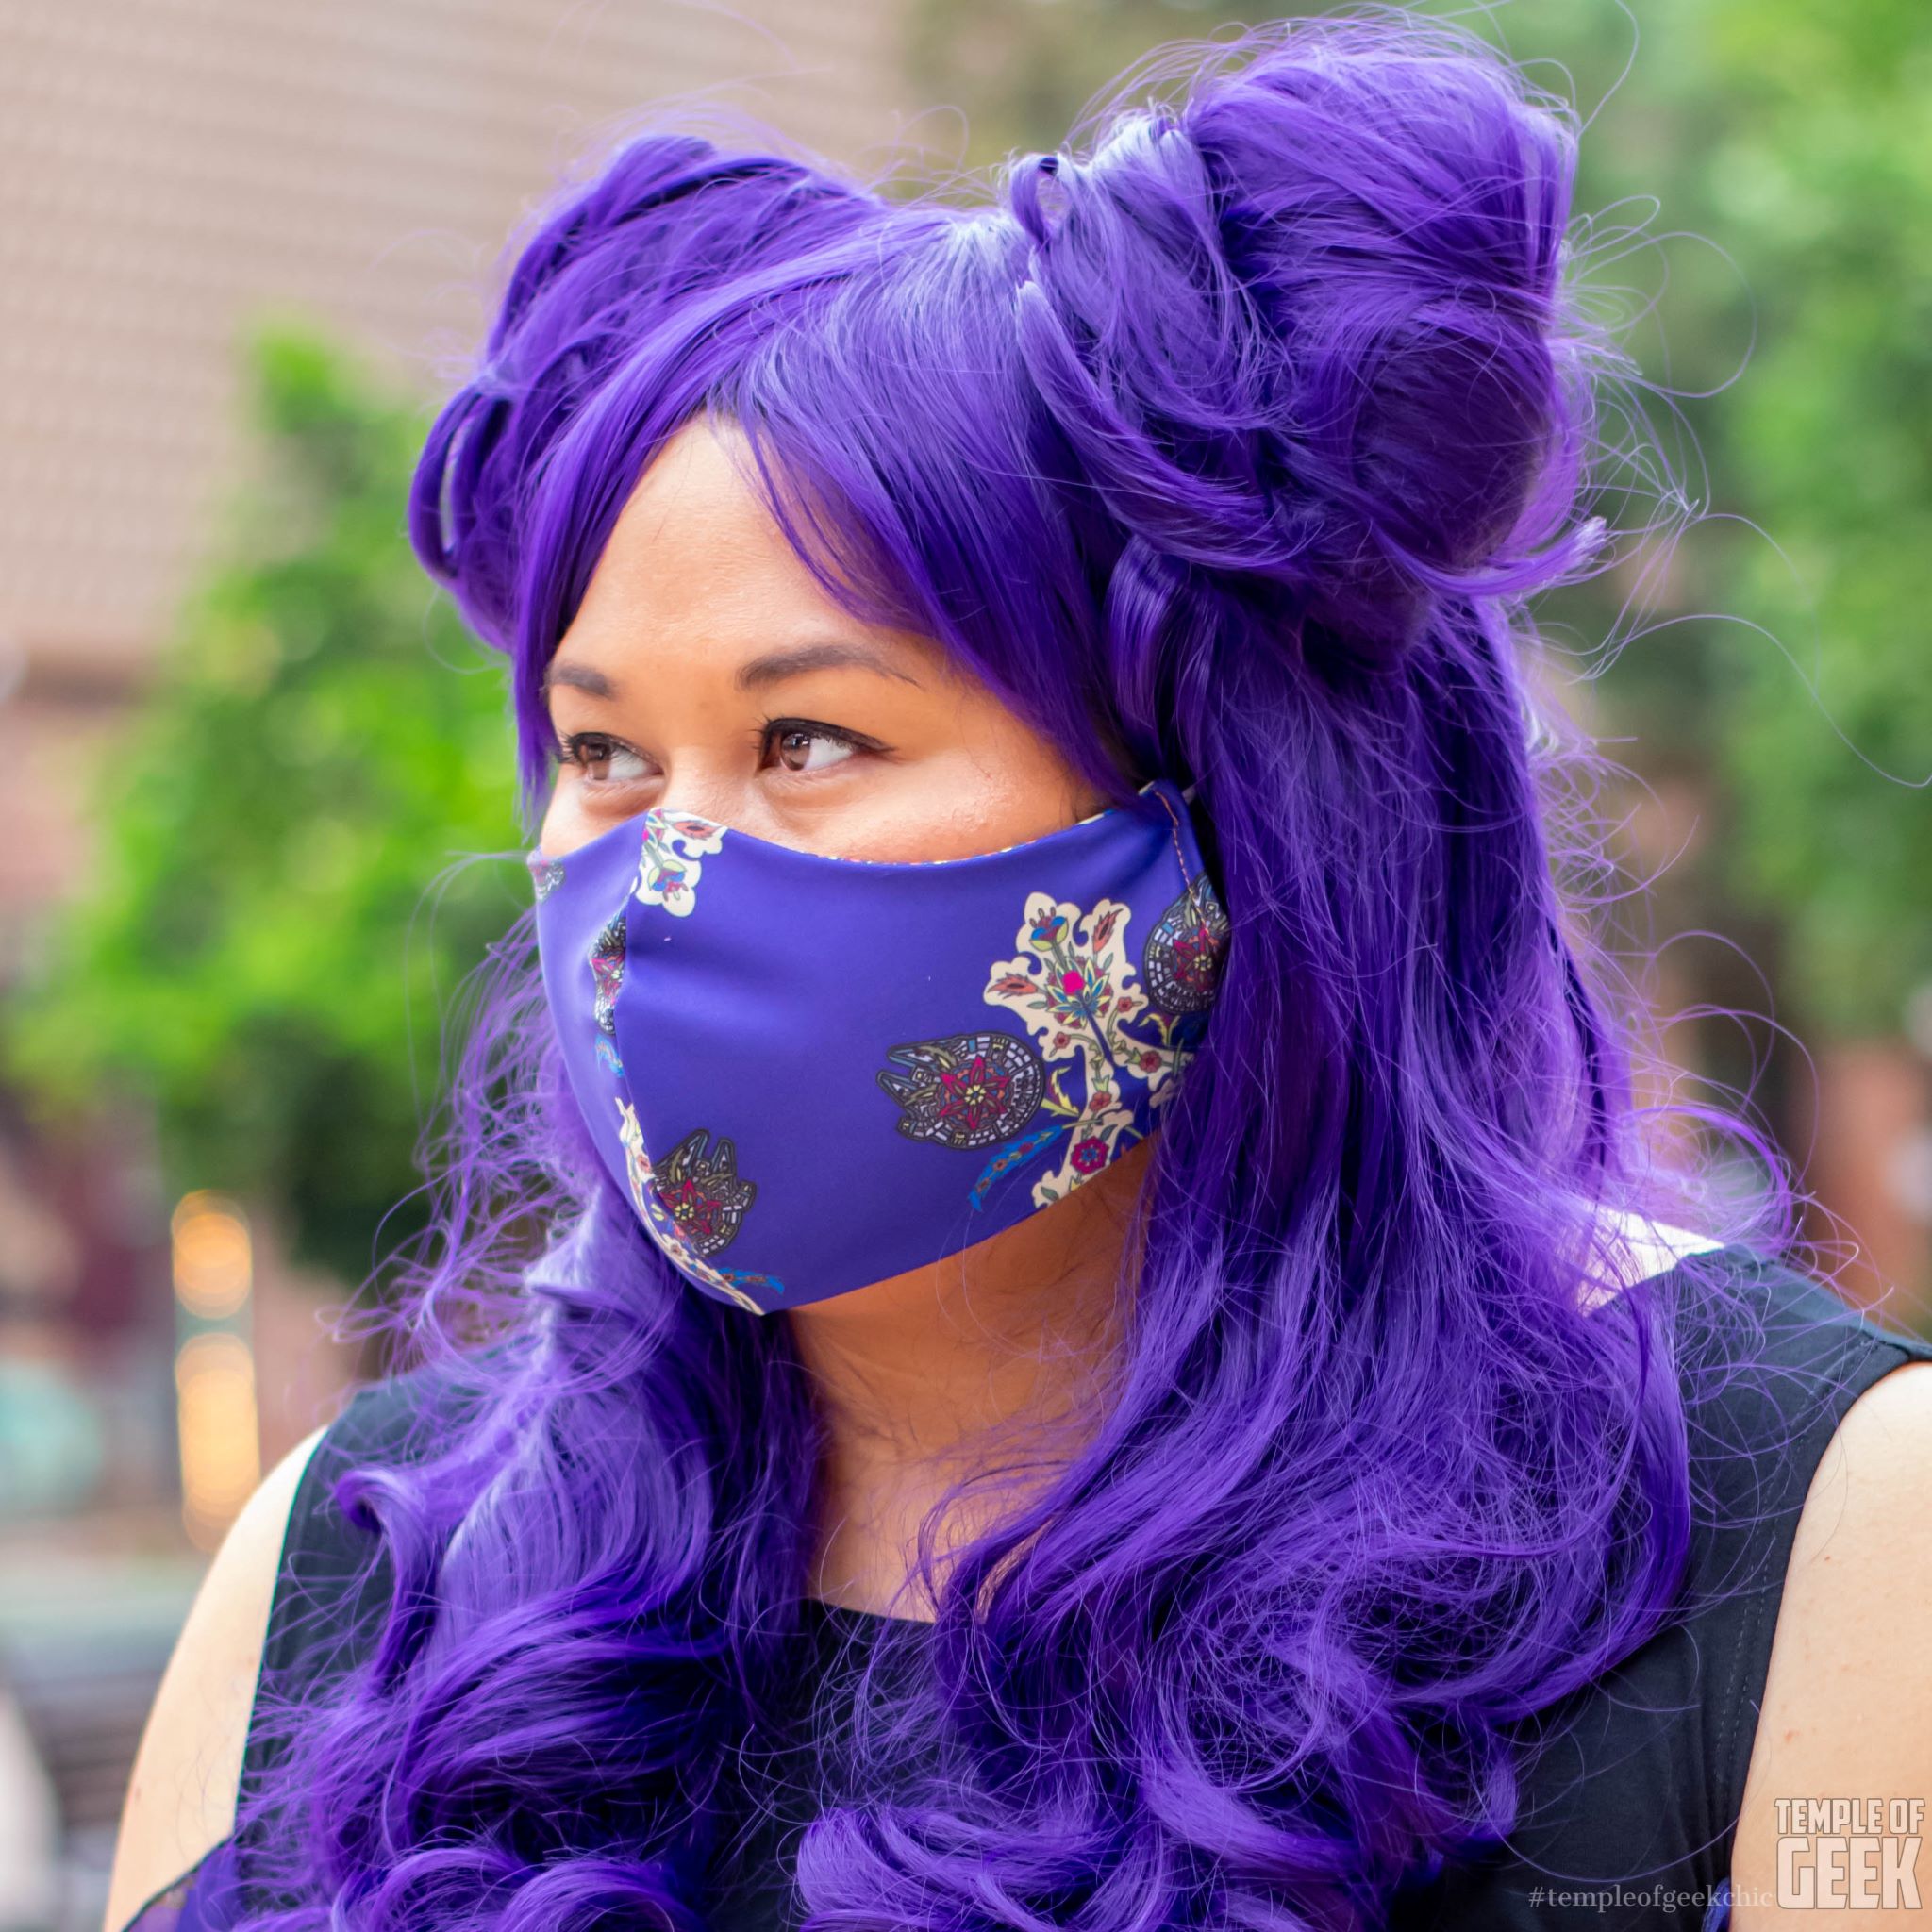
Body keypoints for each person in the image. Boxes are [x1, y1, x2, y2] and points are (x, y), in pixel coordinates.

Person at [105, 13, 1932, 1932]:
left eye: (807, 741)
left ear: (1223, 813)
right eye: (605, 754)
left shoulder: (1812, 1531)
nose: (657, 875)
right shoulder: (351, 1564)